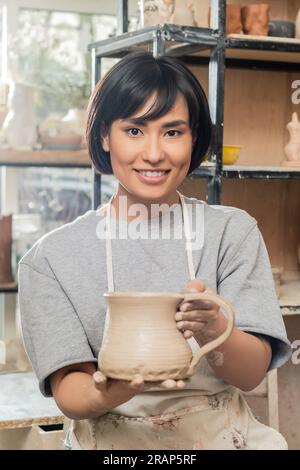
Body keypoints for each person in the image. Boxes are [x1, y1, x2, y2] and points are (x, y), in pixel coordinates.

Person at [18, 51, 291, 450]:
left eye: (172, 132)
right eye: (134, 131)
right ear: (104, 136)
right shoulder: (50, 260)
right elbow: (70, 389)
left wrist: (215, 327)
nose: (154, 153)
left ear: (194, 138)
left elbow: (251, 375)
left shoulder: (231, 232)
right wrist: (114, 389)